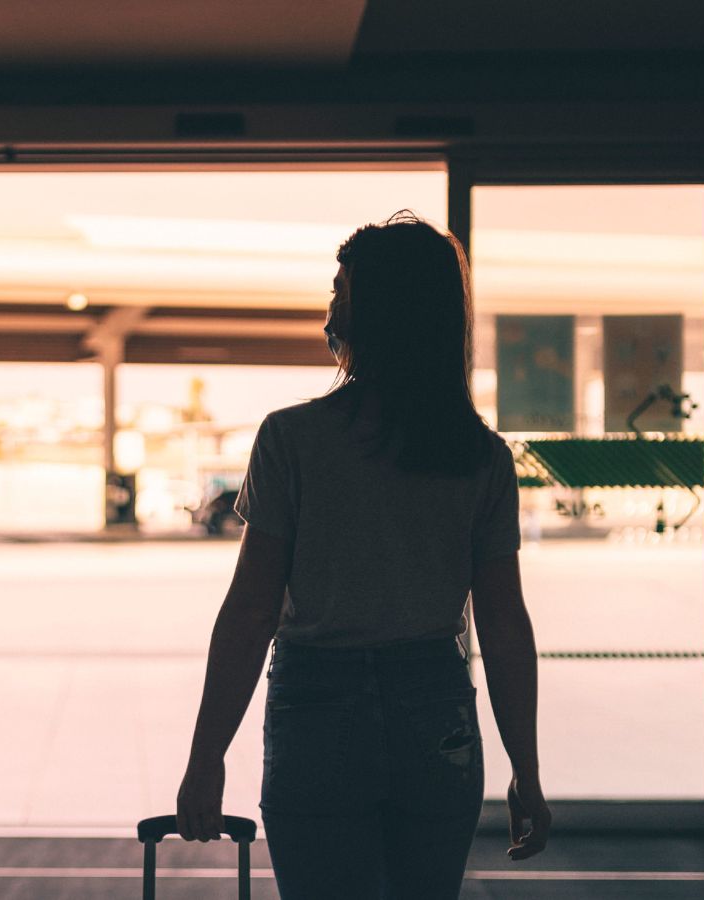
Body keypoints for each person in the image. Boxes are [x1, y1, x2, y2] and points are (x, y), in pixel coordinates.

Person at [174, 212, 550, 897]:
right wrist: (525, 767)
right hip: (435, 713)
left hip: (318, 712)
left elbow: (253, 609)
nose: (329, 308)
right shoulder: (479, 456)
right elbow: (503, 624)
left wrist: (206, 758)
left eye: (340, 290)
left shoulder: (292, 440)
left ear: (375, 310)